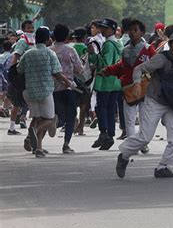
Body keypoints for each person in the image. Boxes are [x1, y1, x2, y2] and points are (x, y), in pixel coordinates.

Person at [116, 30, 173, 178]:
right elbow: (139, 69)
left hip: (172, 104)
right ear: (170, 45)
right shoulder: (161, 59)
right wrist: (137, 84)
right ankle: (124, 155)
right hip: (154, 101)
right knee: (145, 137)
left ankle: (164, 167)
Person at [101, 19, 156, 153]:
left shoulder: (149, 49)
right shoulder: (125, 50)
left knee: (144, 119)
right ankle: (133, 145)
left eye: (135, 30)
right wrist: (108, 70)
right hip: (129, 89)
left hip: (145, 89)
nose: (132, 33)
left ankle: (142, 142)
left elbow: (156, 65)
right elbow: (121, 67)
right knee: (129, 119)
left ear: (142, 32)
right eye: (130, 30)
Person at [17, 26, 71, 158]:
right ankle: (33, 133)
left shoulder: (28, 53)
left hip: (30, 91)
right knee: (50, 118)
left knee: (38, 118)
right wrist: (67, 82)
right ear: (48, 40)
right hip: (46, 90)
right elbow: (57, 73)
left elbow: (19, 69)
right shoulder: (50, 54)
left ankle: (39, 148)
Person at [88, 18, 124, 150]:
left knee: (101, 107)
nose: (102, 30)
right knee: (110, 109)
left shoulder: (108, 44)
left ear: (112, 30)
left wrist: (93, 54)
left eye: (105, 28)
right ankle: (110, 134)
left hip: (106, 81)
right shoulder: (118, 43)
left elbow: (106, 63)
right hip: (116, 82)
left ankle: (104, 132)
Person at [50, 24, 84, 153]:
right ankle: (66, 144)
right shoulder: (70, 50)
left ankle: (53, 123)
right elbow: (79, 69)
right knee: (71, 116)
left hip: (53, 88)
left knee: (57, 114)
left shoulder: (50, 50)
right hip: (68, 87)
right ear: (67, 37)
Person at [8, 20, 35, 135]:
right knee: (17, 102)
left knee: (24, 101)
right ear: (24, 29)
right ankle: (12, 127)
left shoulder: (33, 41)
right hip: (22, 75)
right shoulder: (23, 41)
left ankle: (24, 119)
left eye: (32, 28)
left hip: (30, 74)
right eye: (28, 28)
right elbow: (15, 56)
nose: (31, 30)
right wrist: (13, 73)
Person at [0, 41, 13, 121]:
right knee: (8, 94)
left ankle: (3, 108)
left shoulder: (0, 56)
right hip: (9, 77)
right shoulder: (13, 57)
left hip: (1, 77)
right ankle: (4, 108)